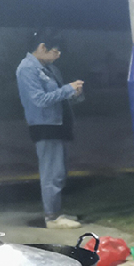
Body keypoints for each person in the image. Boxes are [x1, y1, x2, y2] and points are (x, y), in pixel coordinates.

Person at [16, 28, 84, 230]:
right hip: (44, 125)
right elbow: (39, 100)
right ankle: (52, 217)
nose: (58, 54)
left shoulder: (50, 68)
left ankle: (56, 212)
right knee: (51, 173)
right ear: (42, 47)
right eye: (56, 50)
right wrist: (67, 89)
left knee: (59, 172)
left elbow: (59, 95)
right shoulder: (27, 69)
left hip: (57, 124)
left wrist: (74, 93)